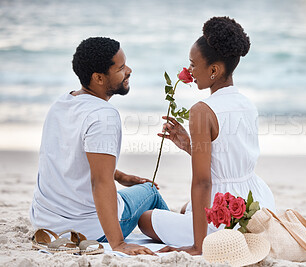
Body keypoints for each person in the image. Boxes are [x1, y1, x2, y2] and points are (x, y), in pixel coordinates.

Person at [138, 17, 275, 255]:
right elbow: (229, 155)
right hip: (256, 203)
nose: (189, 71)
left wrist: (198, 246)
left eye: (193, 64)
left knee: (145, 219)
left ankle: (205, 238)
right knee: (183, 210)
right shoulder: (246, 103)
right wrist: (190, 147)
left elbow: (203, 182)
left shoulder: (202, 111)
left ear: (213, 70)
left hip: (225, 214)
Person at [30, 37, 168, 255]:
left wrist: (119, 175)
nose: (129, 71)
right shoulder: (103, 115)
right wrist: (118, 244)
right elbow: (100, 183)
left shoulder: (62, 103)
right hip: (86, 229)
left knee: (135, 198)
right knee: (150, 192)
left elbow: (70, 158)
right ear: (99, 78)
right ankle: (185, 237)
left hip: (45, 223)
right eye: (121, 68)